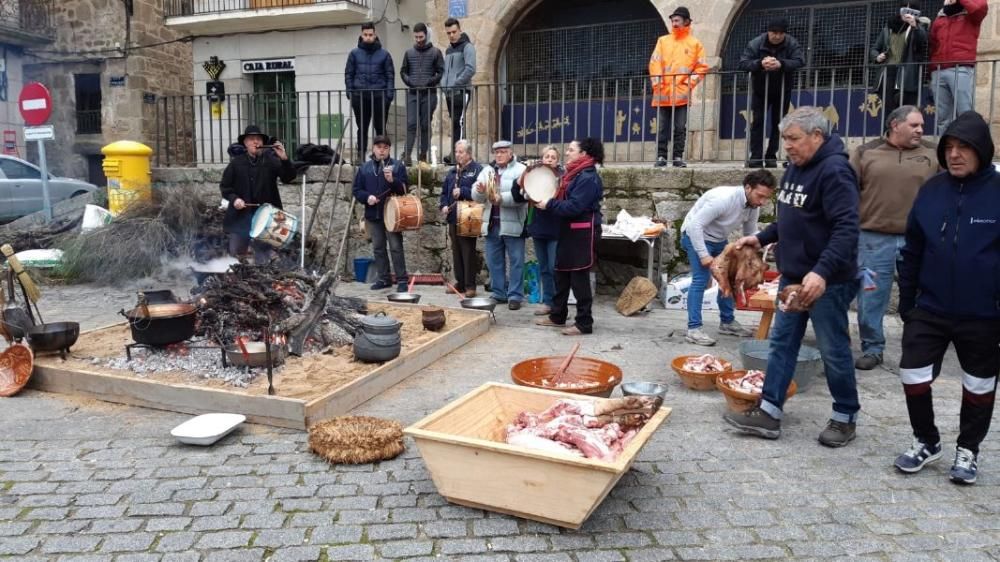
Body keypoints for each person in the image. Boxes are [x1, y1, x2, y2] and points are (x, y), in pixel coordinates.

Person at [723, 107, 861, 448]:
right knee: (782, 343)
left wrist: (822, 272)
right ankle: (769, 411)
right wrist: (762, 238)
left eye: (794, 138)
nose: (788, 146)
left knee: (833, 350)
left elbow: (846, 229)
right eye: (785, 138)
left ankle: (845, 416)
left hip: (826, 281)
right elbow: (791, 218)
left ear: (817, 136)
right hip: (793, 277)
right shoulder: (794, 170)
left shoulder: (835, 171)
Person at [892, 111, 1000, 485]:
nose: (954, 154)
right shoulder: (931, 190)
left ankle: (968, 449)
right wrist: (908, 303)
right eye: (949, 147)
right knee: (912, 374)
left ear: (982, 151)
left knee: (979, 384)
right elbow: (912, 250)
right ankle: (927, 440)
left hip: (984, 313)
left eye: (964, 147)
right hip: (930, 308)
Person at [850, 105, 938, 371]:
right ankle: (873, 348)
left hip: (918, 243)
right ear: (895, 125)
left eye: (922, 125)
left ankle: (922, 348)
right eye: (914, 125)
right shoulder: (865, 152)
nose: (921, 130)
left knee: (924, 297)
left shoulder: (933, 153)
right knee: (870, 296)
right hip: (871, 241)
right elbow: (847, 191)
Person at [679, 170, 777, 346]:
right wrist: (704, 255)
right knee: (700, 280)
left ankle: (727, 322)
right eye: (760, 196)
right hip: (695, 236)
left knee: (730, 279)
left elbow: (750, 233)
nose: (762, 201)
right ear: (748, 187)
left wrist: (768, 243)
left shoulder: (753, 205)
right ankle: (693, 329)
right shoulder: (723, 200)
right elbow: (695, 226)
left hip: (718, 239)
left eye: (766, 198)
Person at [533, 138, 604, 336]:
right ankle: (557, 316)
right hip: (568, 231)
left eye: (571, 150)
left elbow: (574, 206)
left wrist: (549, 204)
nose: (567, 153)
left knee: (579, 278)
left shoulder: (588, 178)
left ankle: (584, 323)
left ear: (584, 154)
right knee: (561, 275)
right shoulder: (574, 175)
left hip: (582, 233)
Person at [220, 125, 296, 264]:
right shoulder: (236, 164)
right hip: (241, 217)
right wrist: (235, 199)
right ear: (245, 143)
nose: (256, 142)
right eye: (251, 139)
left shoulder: (271, 161)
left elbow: (288, 177)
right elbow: (225, 187)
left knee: (265, 256)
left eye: (259, 139)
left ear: (263, 143)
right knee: (236, 255)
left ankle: (263, 280)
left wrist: (284, 158)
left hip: (266, 218)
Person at [738, 17, 804, 168]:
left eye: (781, 33)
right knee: (758, 122)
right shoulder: (756, 43)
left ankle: (771, 156)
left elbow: (800, 61)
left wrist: (781, 64)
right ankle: (755, 157)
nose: (777, 36)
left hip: (782, 90)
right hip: (760, 90)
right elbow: (743, 63)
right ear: (768, 31)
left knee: (779, 124)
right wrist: (760, 64)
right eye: (774, 32)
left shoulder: (791, 42)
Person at [649, 7, 709, 168]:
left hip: (681, 94)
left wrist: (688, 84)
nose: (674, 23)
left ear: (686, 22)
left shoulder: (695, 43)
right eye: (673, 20)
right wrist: (658, 84)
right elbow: (654, 63)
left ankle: (677, 157)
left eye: (677, 20)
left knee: (680, 128)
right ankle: (661, 156)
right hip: (662, 93)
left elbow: (702, 67)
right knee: (662, 128)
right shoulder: (663, 41)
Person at [472, 140, 527, 309]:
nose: (499, 155)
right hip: (491, 224)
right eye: (497, 152)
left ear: (511, 153)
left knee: (516, 260)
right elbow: (476, 195)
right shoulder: (487, 170)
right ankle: (499, 293)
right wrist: (479, 191)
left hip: (513, 223)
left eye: (503, 152)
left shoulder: (521, 170)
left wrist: (502, 199)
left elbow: (524, 195)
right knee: (494, 261)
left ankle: (515, 295)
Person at [351, 136, 410, 292]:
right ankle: (384, 278)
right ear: (373, 149)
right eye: (379, 147)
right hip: (373, 213)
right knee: (378, 247)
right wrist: (367, 198)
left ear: (389, 149)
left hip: (393, 214)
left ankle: (402, 280)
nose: (382, 150)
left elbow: (404, 190)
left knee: (396, 247)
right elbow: (356, 190)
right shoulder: (364, 168)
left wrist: (393, 180)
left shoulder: (397, 166)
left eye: (385, 147)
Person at [513, 145, 564, 316]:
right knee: (544, 268)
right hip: (539, 227)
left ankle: (559, 304)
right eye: (546, 156)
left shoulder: (562, 177)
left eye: (553, 157)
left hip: (555, 227)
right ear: (542, 158)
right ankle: (548, 302)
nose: (549, 159)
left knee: (554, 267)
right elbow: (518, 194)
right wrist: (525, 174)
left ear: (557, 161)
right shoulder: (534, 174)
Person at [928, 0, 988, 133]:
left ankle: (968, 147)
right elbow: (933, 41)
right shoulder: (940, 18)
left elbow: (980, 8)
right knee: (943, 117)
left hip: (960, 67)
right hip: (938, 70)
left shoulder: (970, 14)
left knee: (965, 112)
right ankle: (945, 148)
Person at [439, 139, 483, 298]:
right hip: (453, 216)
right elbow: (444, 193)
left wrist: (463, 191)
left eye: (461, 152)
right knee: (456, 251)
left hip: (469, 215)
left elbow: (480, 193)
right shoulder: (452, 172)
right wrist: (443, 205)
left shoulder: (477, 170)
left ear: (469, 153)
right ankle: (460, 282)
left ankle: (471, 286)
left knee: (468, 251)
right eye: (456, 152)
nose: (458, 155)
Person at [870, 2, 930, 117]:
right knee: (889, 110)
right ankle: (888, 133)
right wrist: (877, 57)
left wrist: (914, 24)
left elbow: (922, 40)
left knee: (906, 108)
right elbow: (874, 48)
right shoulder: (888, 28)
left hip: (907, 72)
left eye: (910, 11)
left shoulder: (918, 27)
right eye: (904, 10)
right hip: (888, 71)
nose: (907, 14)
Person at [345, 22, 395, 156]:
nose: (368, 37)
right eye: (365, 35)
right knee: (362, 127)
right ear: (361, 35)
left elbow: (390, 75)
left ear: (375, 34)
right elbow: (349, 74)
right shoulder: (354, 54)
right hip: (360, 96)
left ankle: (382, 155)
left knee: (380, 128)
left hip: (380, 96)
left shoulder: (384, 54)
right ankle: (361, 155)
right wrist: (350, 92)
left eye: (370, 35)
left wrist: (389, 95)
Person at [400, 23, 444, 166]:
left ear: (426, 35)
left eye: (421, 36)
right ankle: (407, 155)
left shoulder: (436, 52)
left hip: (429, 93)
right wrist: (410, 82)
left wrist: (429, 82)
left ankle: (423, 154)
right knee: (411, 124)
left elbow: (441, 72)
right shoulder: (408, 53)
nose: (418, 39)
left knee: (425, 125)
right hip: (413, 93)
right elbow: (403, 71)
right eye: (416, 37)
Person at [441, 18, 476, 163]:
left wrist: (455, 83)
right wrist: (444, 84)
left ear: (460, 30)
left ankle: (460, 156)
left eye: (454, 32)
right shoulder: (448, 50)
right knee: (454, 123)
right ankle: (456, 153)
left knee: (459, 122)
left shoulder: (467, 47)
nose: (451, 35)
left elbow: (470, 69)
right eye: (448, 33)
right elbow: (445, 71)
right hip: (449, 92)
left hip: (462, 91)